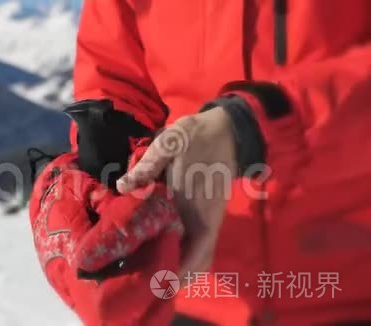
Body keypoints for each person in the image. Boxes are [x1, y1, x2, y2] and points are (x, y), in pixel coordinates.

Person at [30, 0, 371, 325]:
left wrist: (250, 129)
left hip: (348, 290)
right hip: (185, 290)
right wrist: (102, 175)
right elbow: (116, 80)